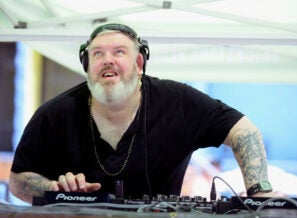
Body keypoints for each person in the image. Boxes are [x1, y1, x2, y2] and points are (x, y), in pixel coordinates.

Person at [9, 23, 277, 204]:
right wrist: (57, 189)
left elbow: (243, 129)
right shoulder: (55, 114)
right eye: (98, 54)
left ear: (139, 63)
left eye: (118, 52)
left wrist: (260, 192)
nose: (107, 60)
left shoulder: (178, 101)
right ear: (87, 64)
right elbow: (18, 180)